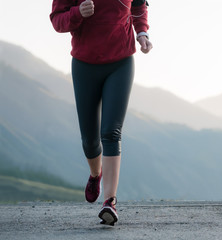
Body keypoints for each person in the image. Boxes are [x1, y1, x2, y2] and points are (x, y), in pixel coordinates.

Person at [50, 0, 152, 226]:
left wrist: (142, 32)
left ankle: (110, 202)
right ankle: (96, 174)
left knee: (111, 132)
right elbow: (57, 20)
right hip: (84, 64)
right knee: (89, 139)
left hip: (121, 62)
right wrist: (77, 13)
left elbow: (138, 6)